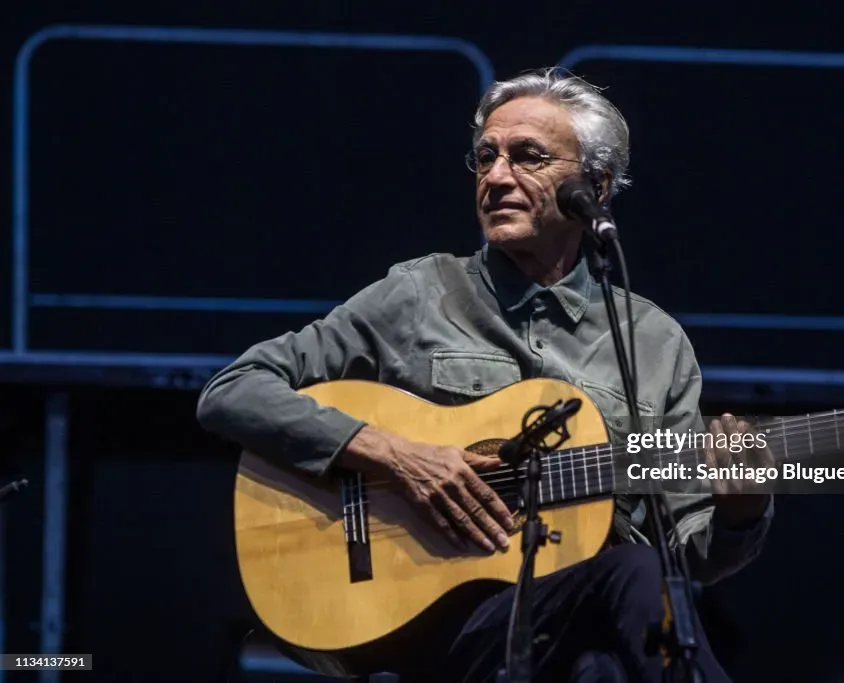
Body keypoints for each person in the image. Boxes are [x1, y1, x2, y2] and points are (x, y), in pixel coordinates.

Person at [196, 67, 773, 683]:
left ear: (596, 186)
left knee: (604, 660)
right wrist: (395, 455)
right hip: (443, 620)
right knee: (628, 582)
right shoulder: (420, 294)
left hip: (582, 617)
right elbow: (232, 391)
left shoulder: (655, 344)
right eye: (485, 158)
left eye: (528, 157)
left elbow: (679, 558)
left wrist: (740, 511)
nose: (497, 177)